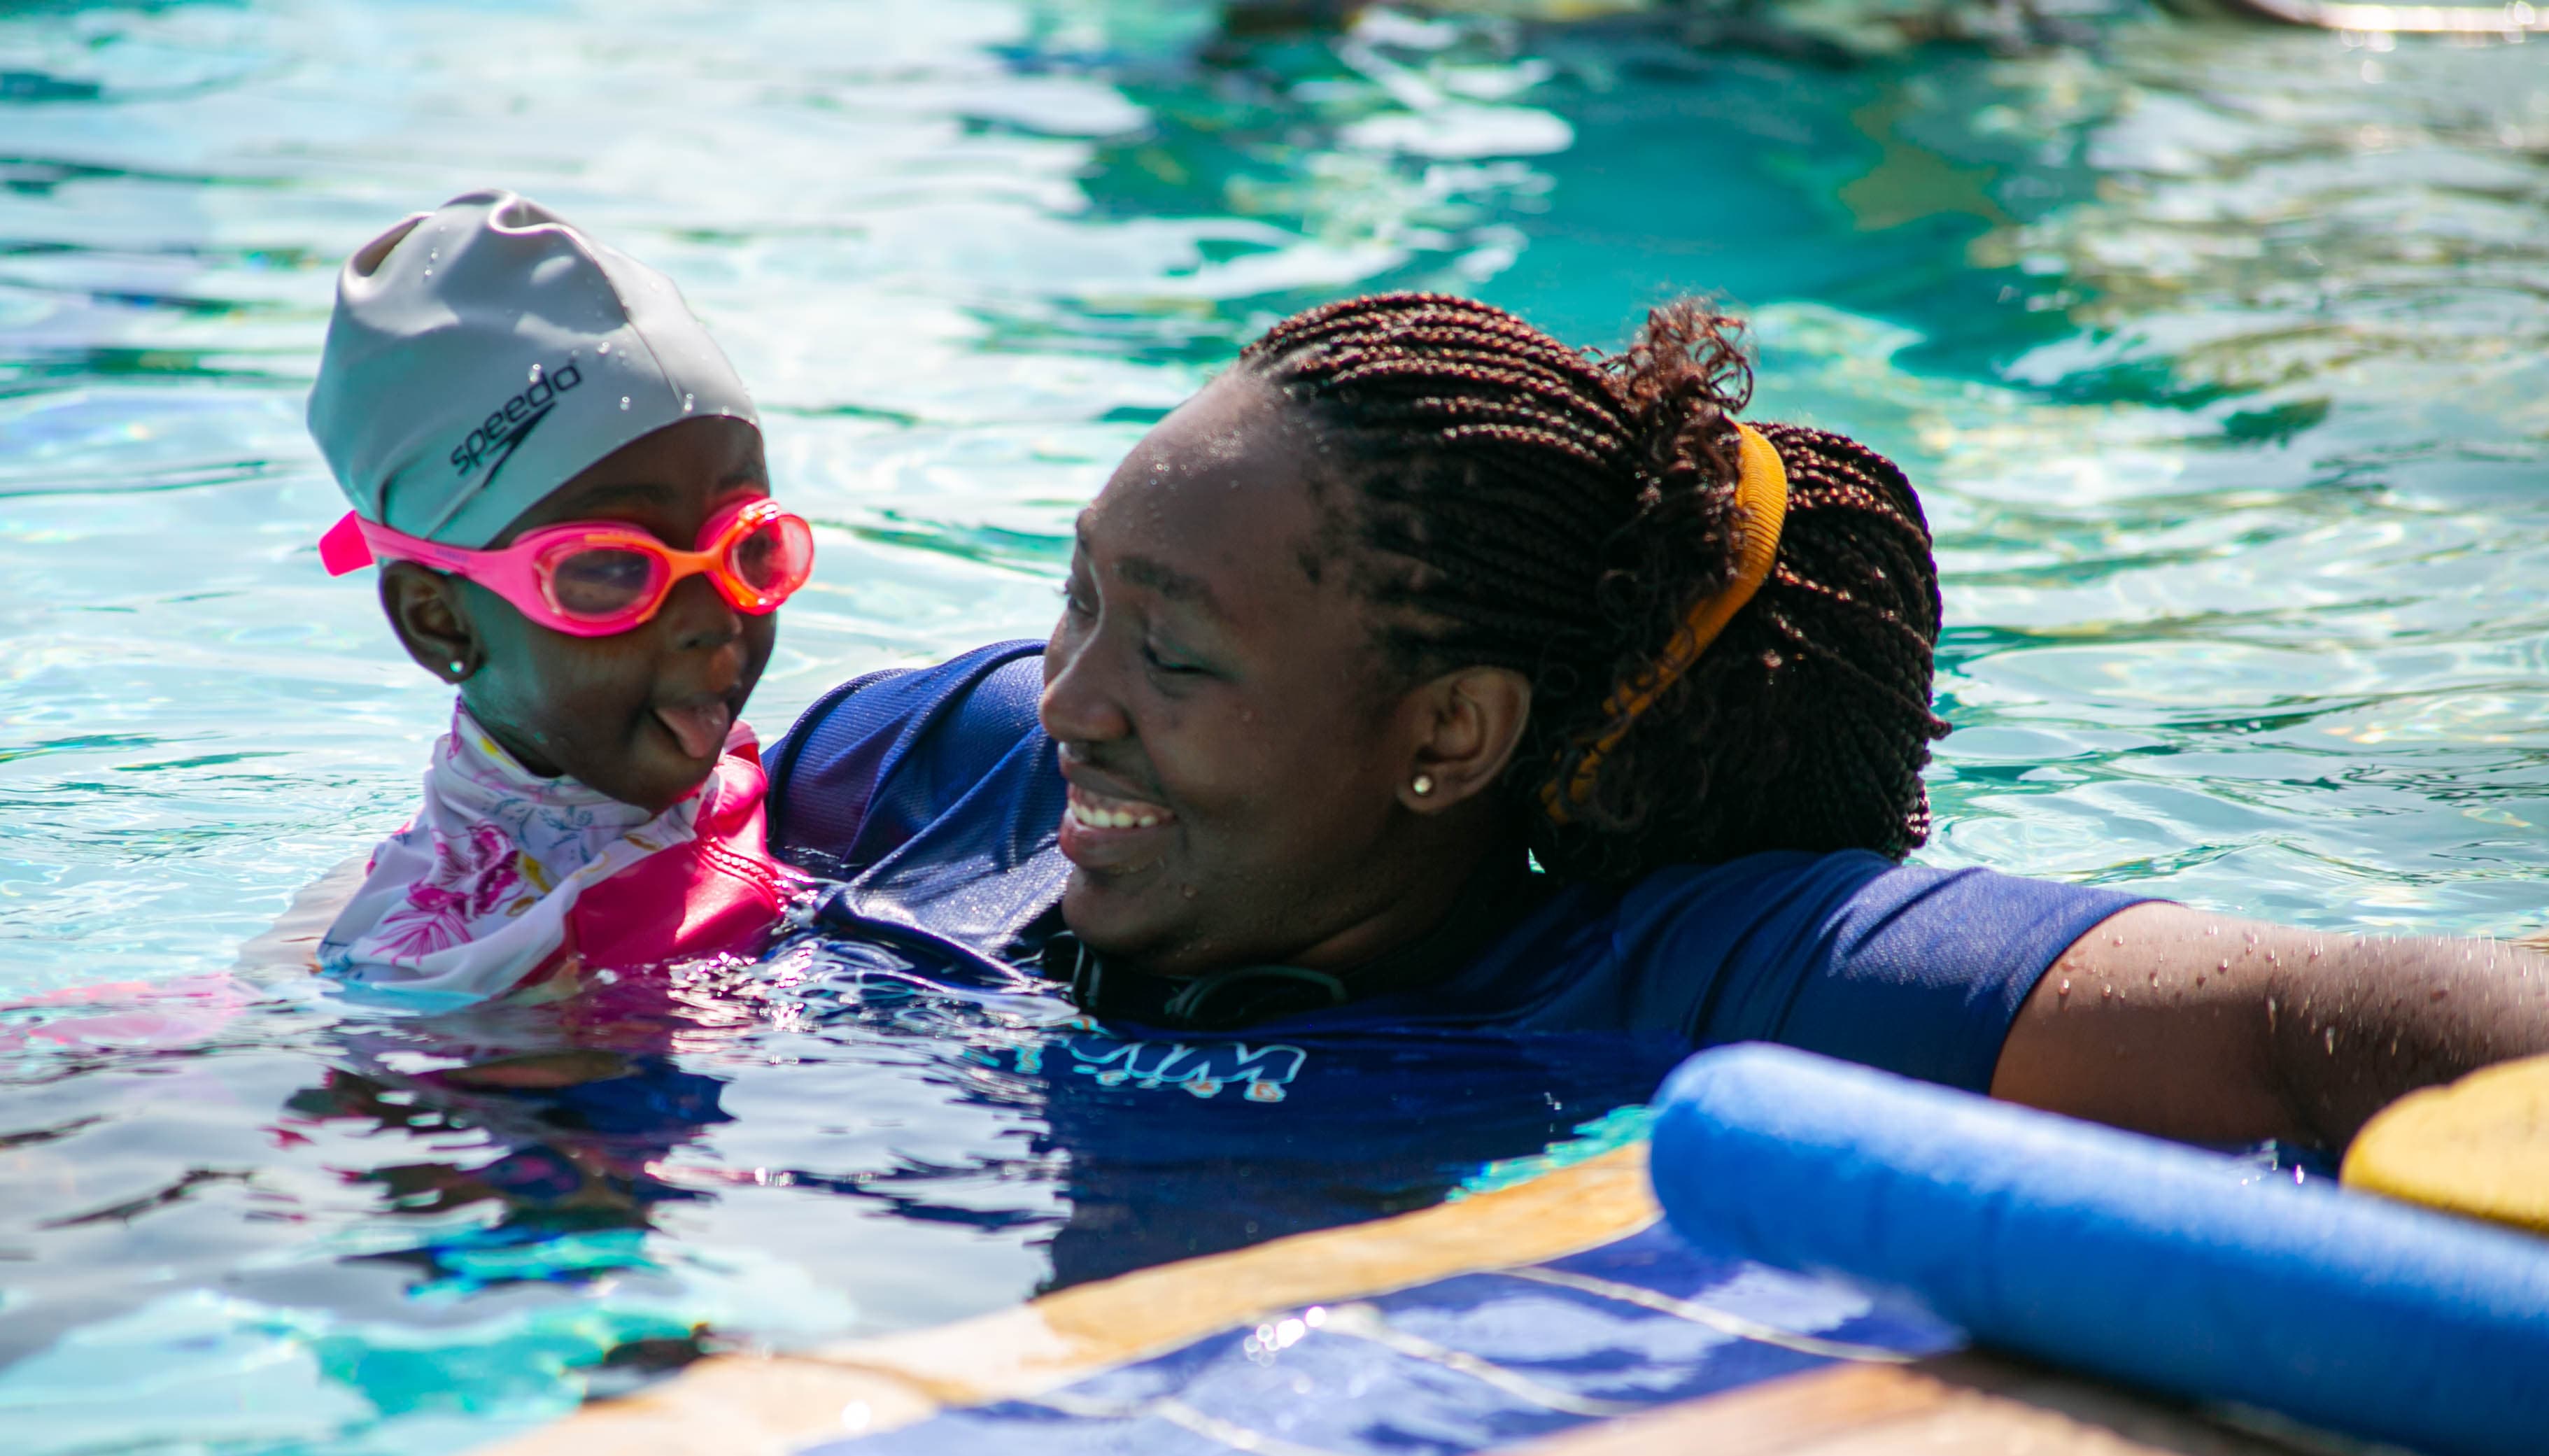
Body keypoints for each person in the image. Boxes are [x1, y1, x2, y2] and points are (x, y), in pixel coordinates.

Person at [768, 291, 2549, 1153]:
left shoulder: (1686, 977)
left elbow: (2308, 1021)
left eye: (1173, 654)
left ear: (1450, 735)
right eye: (1076, 593)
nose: (1071, 697)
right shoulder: (953, 767)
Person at [302, 190, 812, 999]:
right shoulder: (468, 969)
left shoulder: (797, 777)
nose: (710, 619)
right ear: (439, 624)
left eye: (746, 547)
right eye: (611, 569)